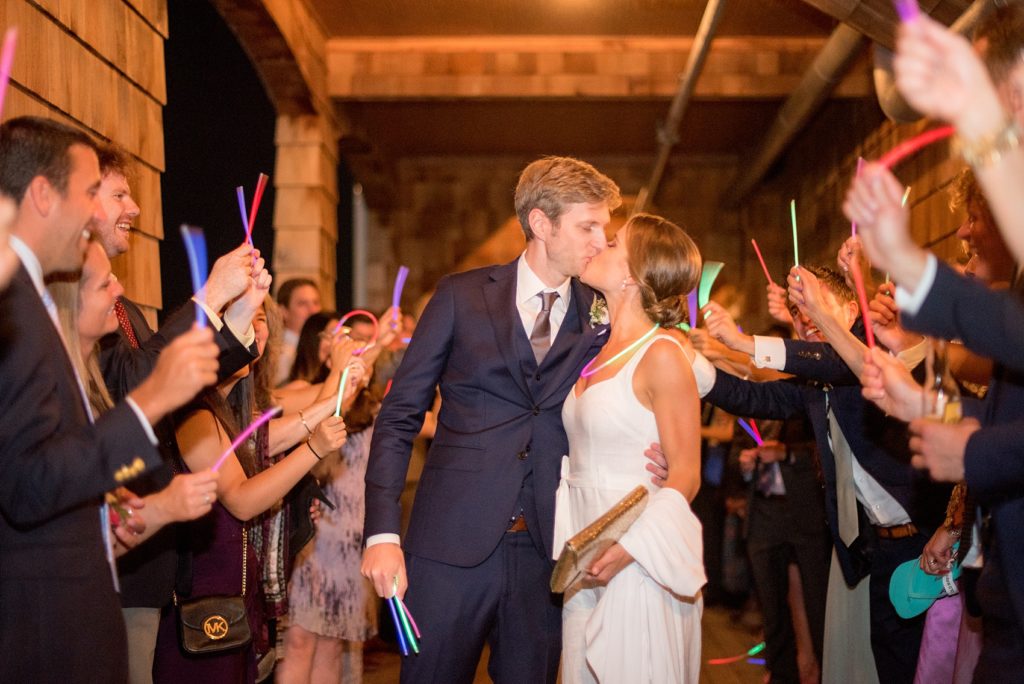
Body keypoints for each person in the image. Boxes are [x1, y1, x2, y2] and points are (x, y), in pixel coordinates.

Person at [362, 156, 622, 683]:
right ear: (542, 225)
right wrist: (381, 532)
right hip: (448, 545)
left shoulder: (602, 314)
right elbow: (399, 417)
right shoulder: (459, 296)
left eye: (605, 228)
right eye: (588, 226)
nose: (601, 241)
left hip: (547, 554)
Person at [0, 115, 220, 682]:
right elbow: (28, 488)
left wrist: (108, 508)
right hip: (44, 630)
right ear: (44, 195)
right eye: (91, 192)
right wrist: (150, 402)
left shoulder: (30, 302)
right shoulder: (13, 308)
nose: (99, 213)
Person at [87, 142, 264, 684]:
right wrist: (208, 299)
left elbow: (175, 383)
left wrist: (234, 321)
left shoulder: (126, 310)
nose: (135, 209)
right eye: (120, 194)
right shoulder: (81, 301)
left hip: (144, 552)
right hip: (113, 552)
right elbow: (140, 385)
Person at [153, 280, 349, 684]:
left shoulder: (230, 413)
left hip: (237, 602)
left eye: (260, 323)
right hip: (201, 609)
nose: (253, 335)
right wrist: (314, 449)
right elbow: (241, 500)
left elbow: (283, 432)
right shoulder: (194, 413)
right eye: (243, 323)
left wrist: (345, 379)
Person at [552, 213, 705, 682]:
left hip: (639, 559)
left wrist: (627, 548)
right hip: (583, 557)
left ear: (633, 275)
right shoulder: (593, 352)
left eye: (614, 242)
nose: (600, 243)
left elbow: (685, 473)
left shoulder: (661, 354)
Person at [276, 278, 322, 385]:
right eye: (302, 304)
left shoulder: (319, 346)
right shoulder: (280, 354)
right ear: (283, 311)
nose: (313, 310)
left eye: (316, 303)